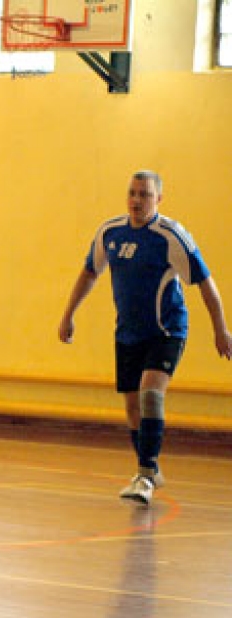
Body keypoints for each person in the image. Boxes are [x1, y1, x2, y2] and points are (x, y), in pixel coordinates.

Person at [59, 170, 232, 505]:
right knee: (132, 407)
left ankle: (146, 474)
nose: (137, 201)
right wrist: (68, 315)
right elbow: (89, 272)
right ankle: (148, 467)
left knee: (150, 395)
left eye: (145, 195)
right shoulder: (110, 232)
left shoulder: (170, 236)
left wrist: (220, 329)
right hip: (128, 334)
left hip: (166, 331)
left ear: (159, 199)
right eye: (132, 193)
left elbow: (205, 283)